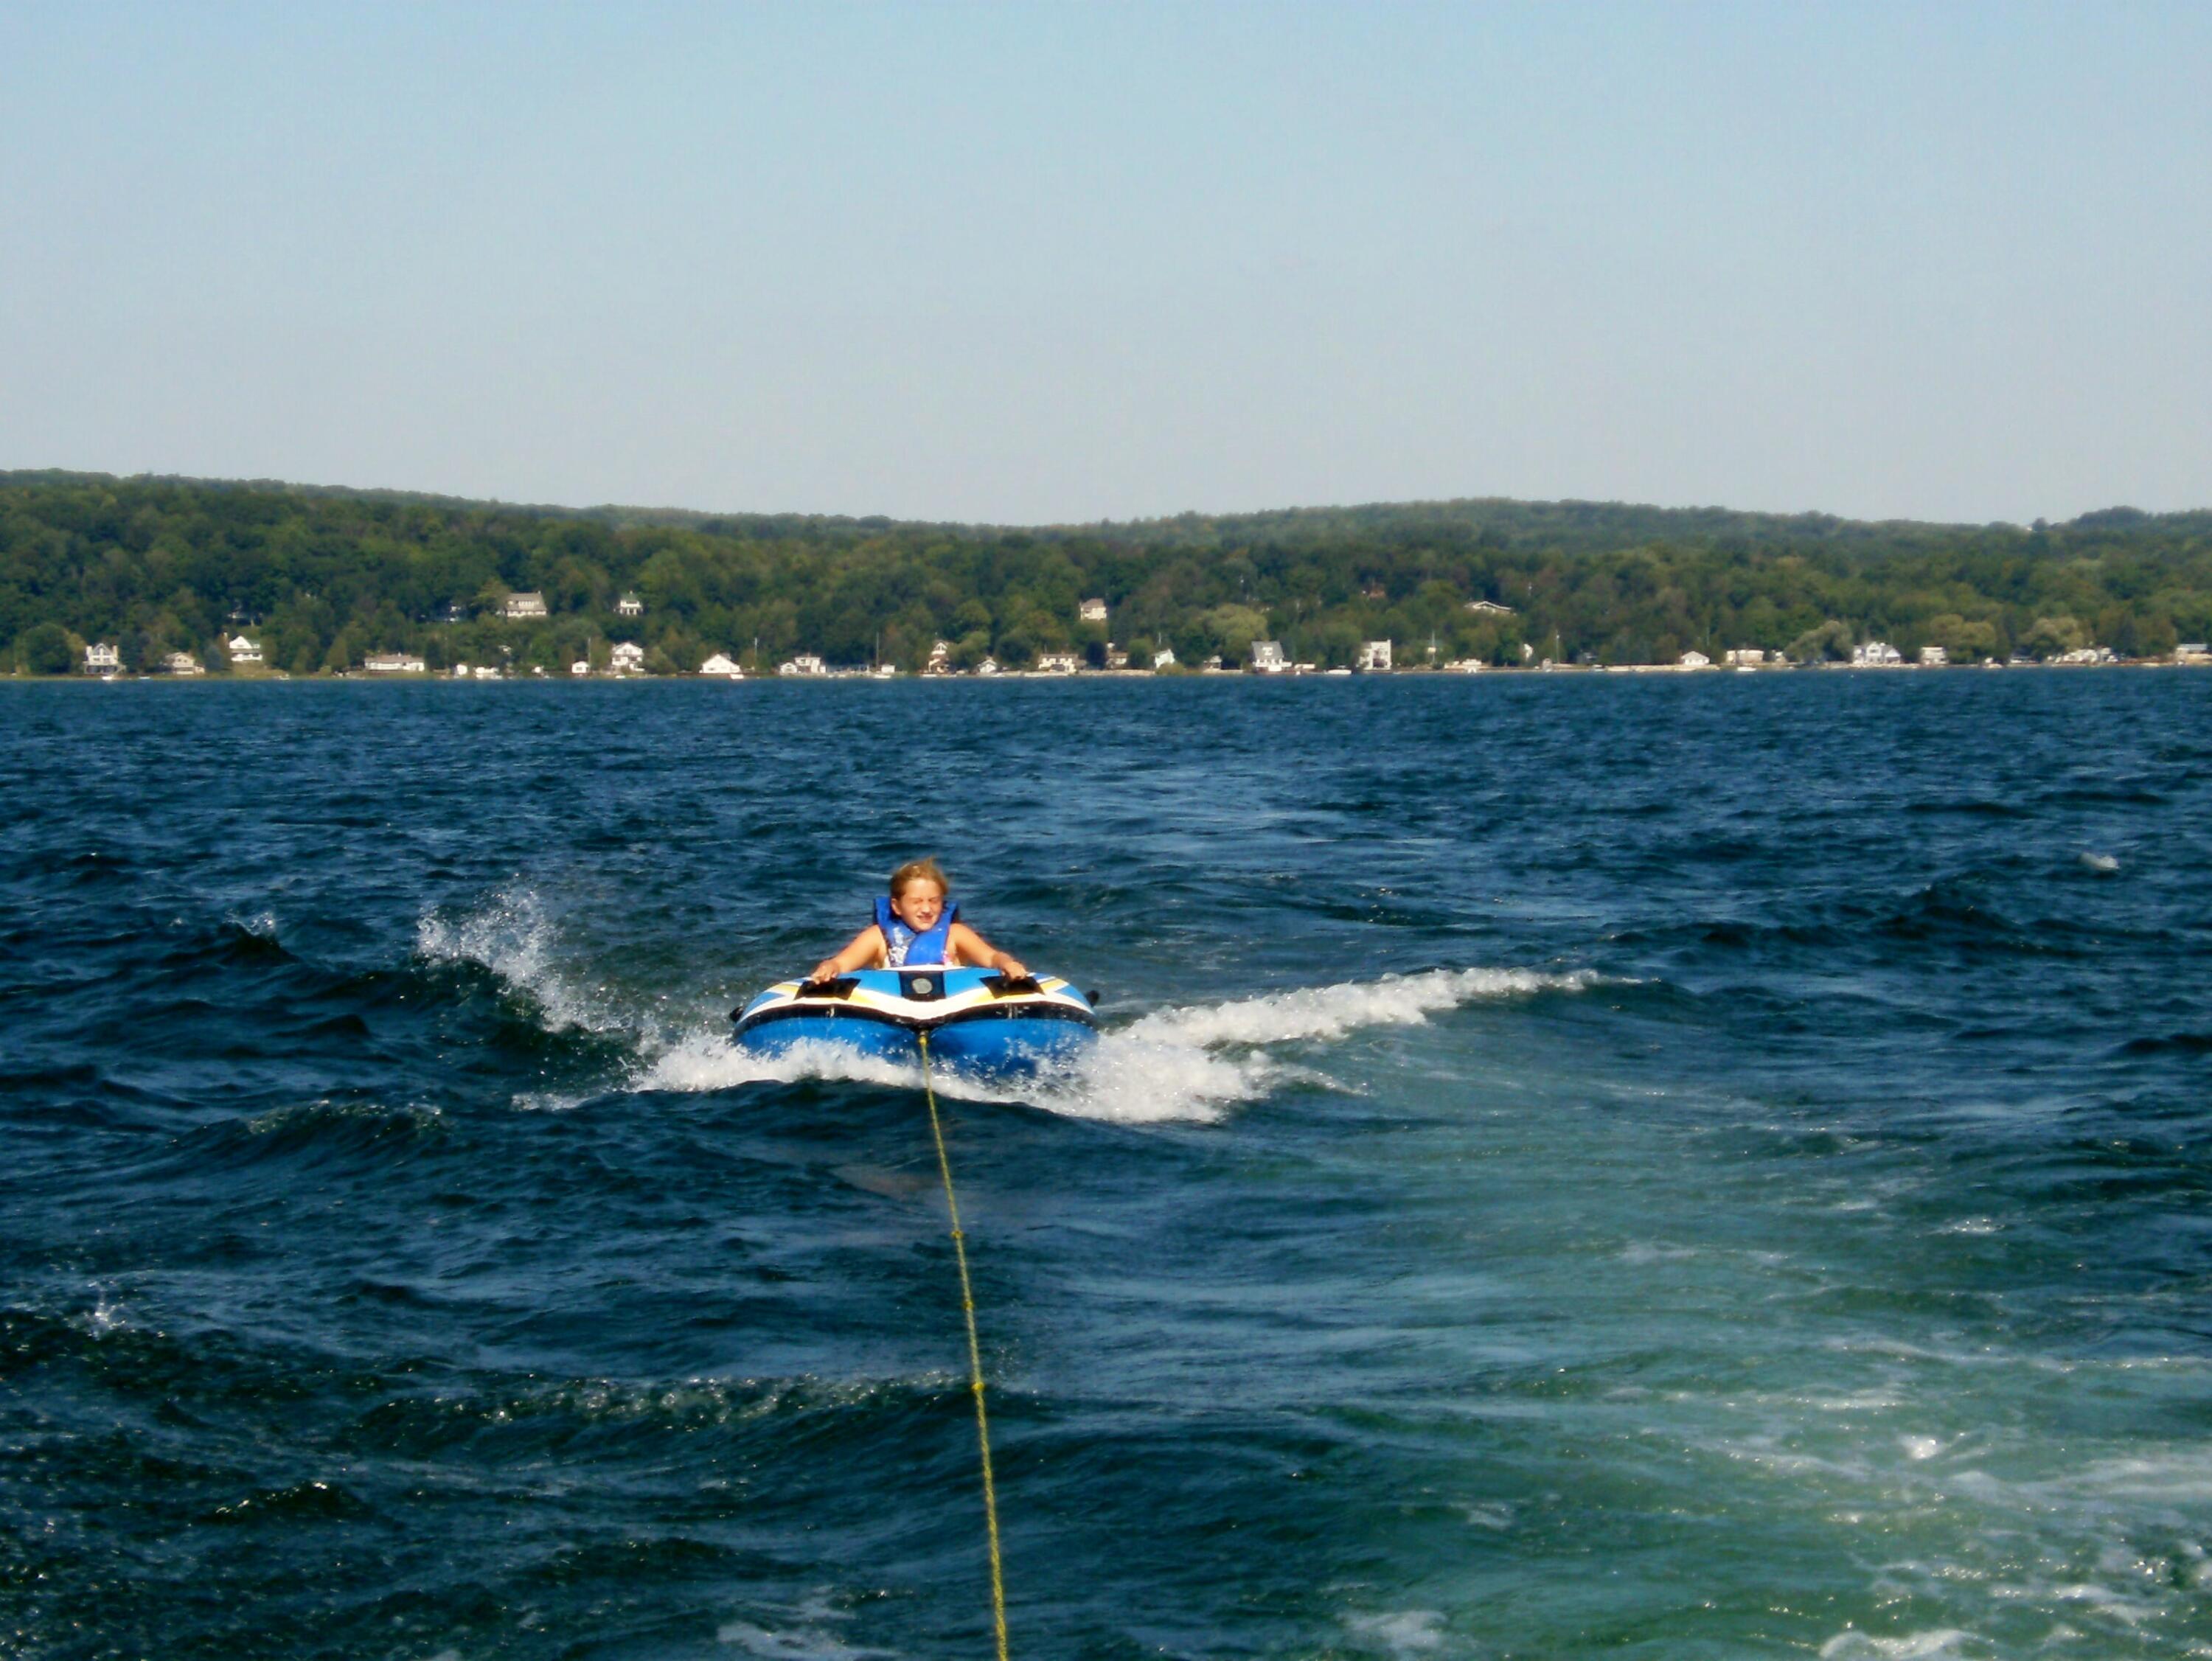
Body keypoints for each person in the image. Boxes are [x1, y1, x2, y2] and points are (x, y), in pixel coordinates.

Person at [810, 858, 1029, 984]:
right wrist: (830, 967)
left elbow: (991, 957)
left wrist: (1006, 963)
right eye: (916, 902)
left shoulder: (955, 934)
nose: (926, 909)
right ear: (896, 906)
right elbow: (843, 963)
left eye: (934, 901)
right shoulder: (879, 937)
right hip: (892, 1011)